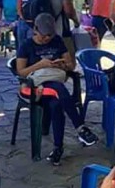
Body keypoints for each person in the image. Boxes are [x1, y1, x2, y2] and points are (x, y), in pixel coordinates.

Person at [17, 13, 98, 166]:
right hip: (36, 87)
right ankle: (80, 128)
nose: (46, 39)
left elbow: (71, 65)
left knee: (56, 104)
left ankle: (58, 149)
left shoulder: (57, 41)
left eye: (49, 35)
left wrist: (63, 65)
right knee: (59, 91)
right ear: (35, 29)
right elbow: (21, 72)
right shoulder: (27, 45)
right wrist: (40, 65)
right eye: (43, 35)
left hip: (54, 81)